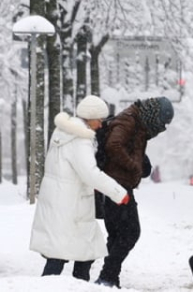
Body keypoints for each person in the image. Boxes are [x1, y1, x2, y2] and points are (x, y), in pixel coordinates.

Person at [29, 96, 130, 281]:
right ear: (90, 117)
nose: (101, 125)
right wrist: (119, 193)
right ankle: (70, 286)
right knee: (62, 256)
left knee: (80, 252)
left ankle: (77, 285)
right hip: (70, 206)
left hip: (61, 202)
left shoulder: (63, 132)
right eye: (99, 120)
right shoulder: (80, 139)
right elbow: (90, 173)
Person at [96, 97, 174, 288]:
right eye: (161, 123)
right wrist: (134, 167)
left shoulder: (137, 121)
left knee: (117, 235)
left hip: (118, 184)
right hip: (117, 185)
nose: (160, 129)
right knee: (131, 232)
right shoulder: (129, 120)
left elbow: (127, 144)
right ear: (153, 115)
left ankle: (110, 277)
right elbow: (114, 145)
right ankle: (107, 276)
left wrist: (141, 162)